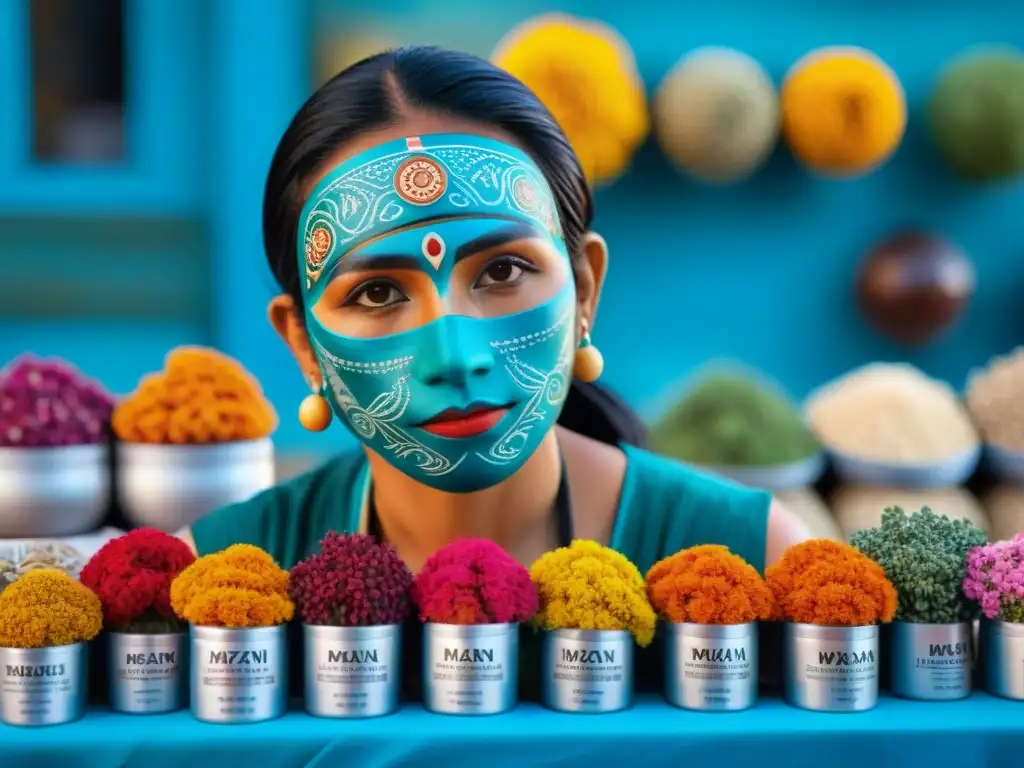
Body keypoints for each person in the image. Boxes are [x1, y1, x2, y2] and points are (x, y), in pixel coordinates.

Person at [182, 45, 812, 579]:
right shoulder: (222, 581)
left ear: (584, 288)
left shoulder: (759, 564)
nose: (454, 359)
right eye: (376, 293)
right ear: (302, 343)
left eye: (503, 271)